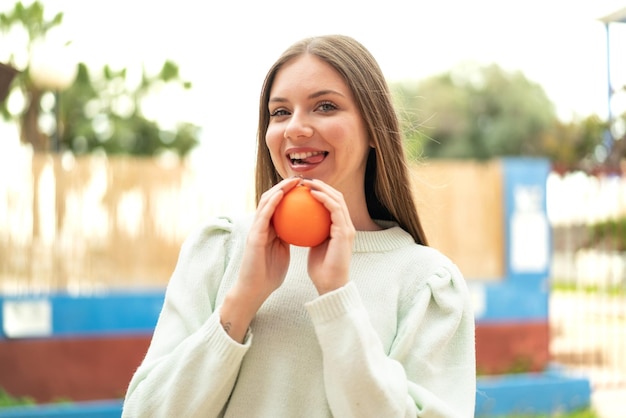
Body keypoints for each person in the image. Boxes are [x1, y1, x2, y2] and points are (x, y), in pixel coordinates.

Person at [122, 34, 476, 418]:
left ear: (375, 128)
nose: (295, 128)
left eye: (325, 106)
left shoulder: (427, 283)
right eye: (279, 112)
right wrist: (242, 301)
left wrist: (337, 302)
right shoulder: (220, 249)